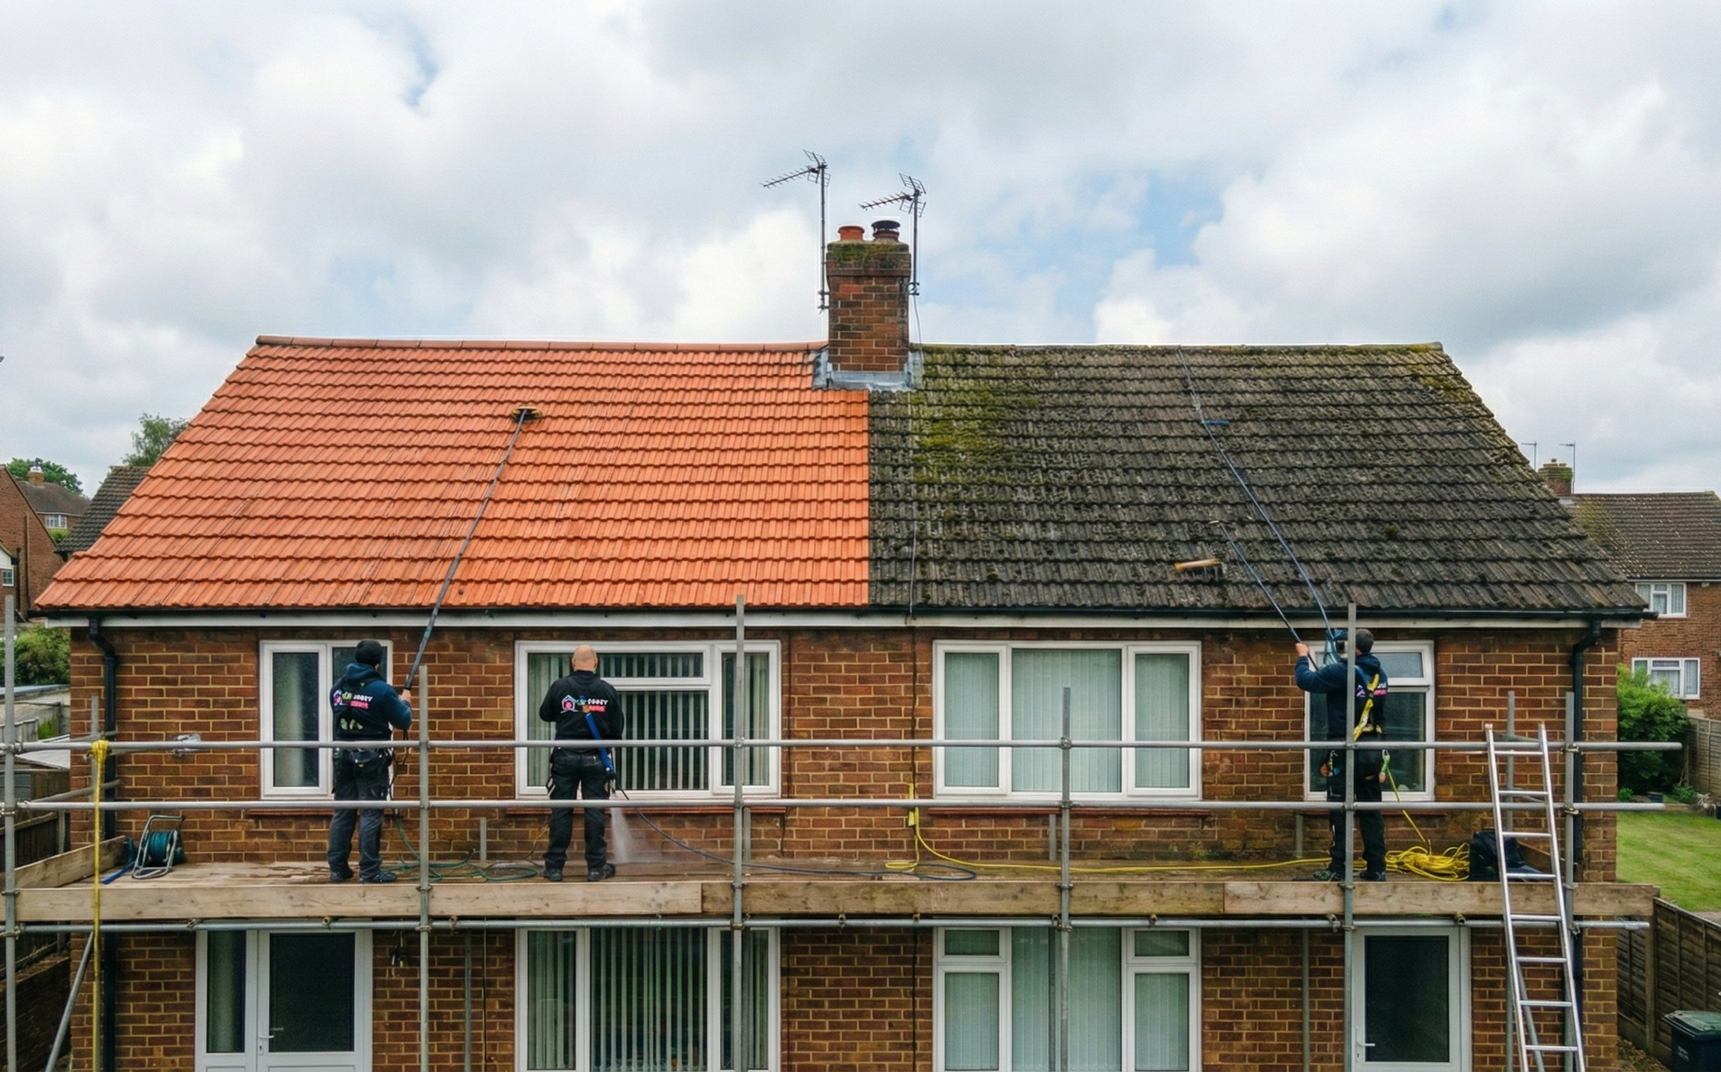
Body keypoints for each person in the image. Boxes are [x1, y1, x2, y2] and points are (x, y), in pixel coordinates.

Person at [1295, 629, 1390, 882]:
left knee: (1339, 808)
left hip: (1345, 750)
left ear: (1352, 647)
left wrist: (1303, 657)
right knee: (1371, 811)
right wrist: (1384, 760)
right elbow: (1379, 717)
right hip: (1372, 751)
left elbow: (1306, 681)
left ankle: (1339, 867)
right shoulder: (1380, 674)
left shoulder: (1341, 672)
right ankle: (1377, 869)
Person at [327, 640, 413, 884]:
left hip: (342, 756)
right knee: (371, 812)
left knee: (343, 811)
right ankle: (370, 871)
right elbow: (403, 720)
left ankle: (337, 869)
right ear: (378, 663)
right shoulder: (381, 689)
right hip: (371, 758)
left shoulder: (338, 687)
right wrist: (405, 701)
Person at [538, 644, 625, 882]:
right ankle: (596, 868)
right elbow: (617, 730)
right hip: (597, 758)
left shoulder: (560, 686)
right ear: (595, 663)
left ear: (573, 663)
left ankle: (554, 868)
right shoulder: (607, 690)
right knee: (595, 811)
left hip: (565, 756)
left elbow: (545, 714)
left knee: (561, 811)